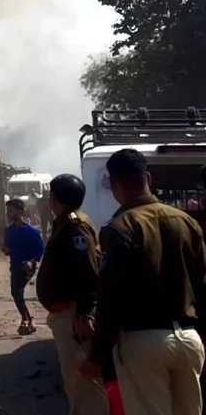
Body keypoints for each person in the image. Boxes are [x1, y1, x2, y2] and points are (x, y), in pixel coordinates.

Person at [82, 148, 206, 415]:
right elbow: (202, 286)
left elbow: (111, 298)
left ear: (114, 185)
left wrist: (98, 355)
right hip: (189, 339)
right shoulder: (187, 222)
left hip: (143, 342)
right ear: (148, 177)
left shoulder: (119, 228)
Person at [34, 173, 108, 415]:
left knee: (83, 380)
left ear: (56, 199)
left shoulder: (75, 227)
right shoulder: (66, 223)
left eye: (50, 195)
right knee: (75, 381)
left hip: (73, 314)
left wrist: (85, 314)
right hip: (66, 313)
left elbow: (88, 273)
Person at [2, 198, 45, 335]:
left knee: (17, 292)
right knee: (15, 293)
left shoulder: (32, 231)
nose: (8, 213)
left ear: (20, 211)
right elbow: (9, 250)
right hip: (15, 265)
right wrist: (5, 250)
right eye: (7, 211)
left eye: (11, 210)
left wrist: (32, 262)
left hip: (26, 267)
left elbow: (40, 249)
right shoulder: (9, 231)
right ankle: (27, 319)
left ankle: (26, 319)